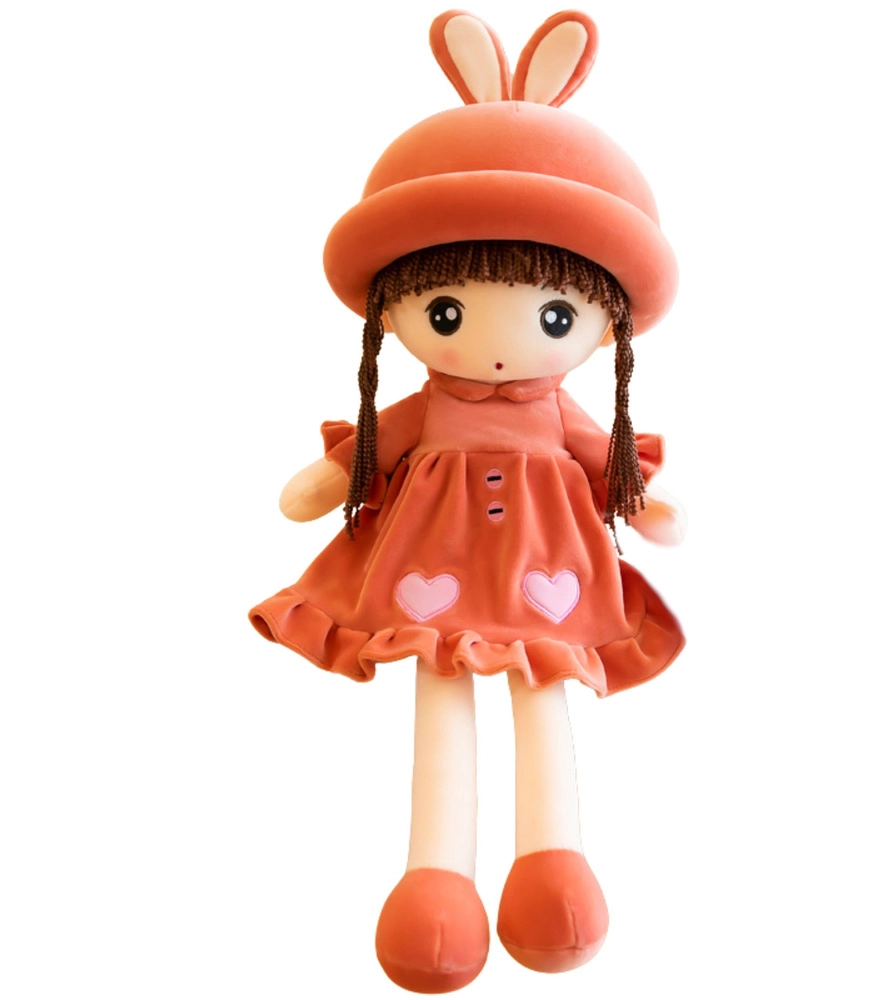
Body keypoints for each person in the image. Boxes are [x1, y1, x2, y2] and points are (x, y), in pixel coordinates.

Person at [250, 11, 687, 993]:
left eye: (554, 311)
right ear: (398, 307)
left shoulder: (566, 414)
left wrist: (649, 507)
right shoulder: (424, 406)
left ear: (602, 322)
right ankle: (435, 878)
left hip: (545, 571)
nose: (492, 347)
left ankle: (552, 864)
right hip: (432, 570)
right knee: (440, 684)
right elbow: (361, 457)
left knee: (540, 686)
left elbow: (613, 467)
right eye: (445, 310)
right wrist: (326, 481)